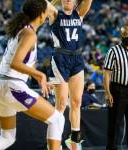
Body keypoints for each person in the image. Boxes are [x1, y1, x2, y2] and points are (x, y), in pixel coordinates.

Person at [0, 0, 65, 150]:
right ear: (41, 15)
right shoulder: (29, 34)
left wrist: (38, 77)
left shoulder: (23, 29)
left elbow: (23, 64)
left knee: (7, 137)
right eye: (45, 12)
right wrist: (41, 75)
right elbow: (16, 63)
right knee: (57, 120)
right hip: (11, 85)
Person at [46, 0, 93, 149]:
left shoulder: (79, 14)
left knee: (76, 102)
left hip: (77, 58)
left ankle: (74, 141)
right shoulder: (55, 13)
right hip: (60, 59)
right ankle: (54, 143)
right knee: (60, 104)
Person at [103, 25, 128, 150]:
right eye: (125, 35)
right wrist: (108, 93)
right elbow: (107, 73)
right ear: (121, 36)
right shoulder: (113, 51)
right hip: (118, 90)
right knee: (115, 123)